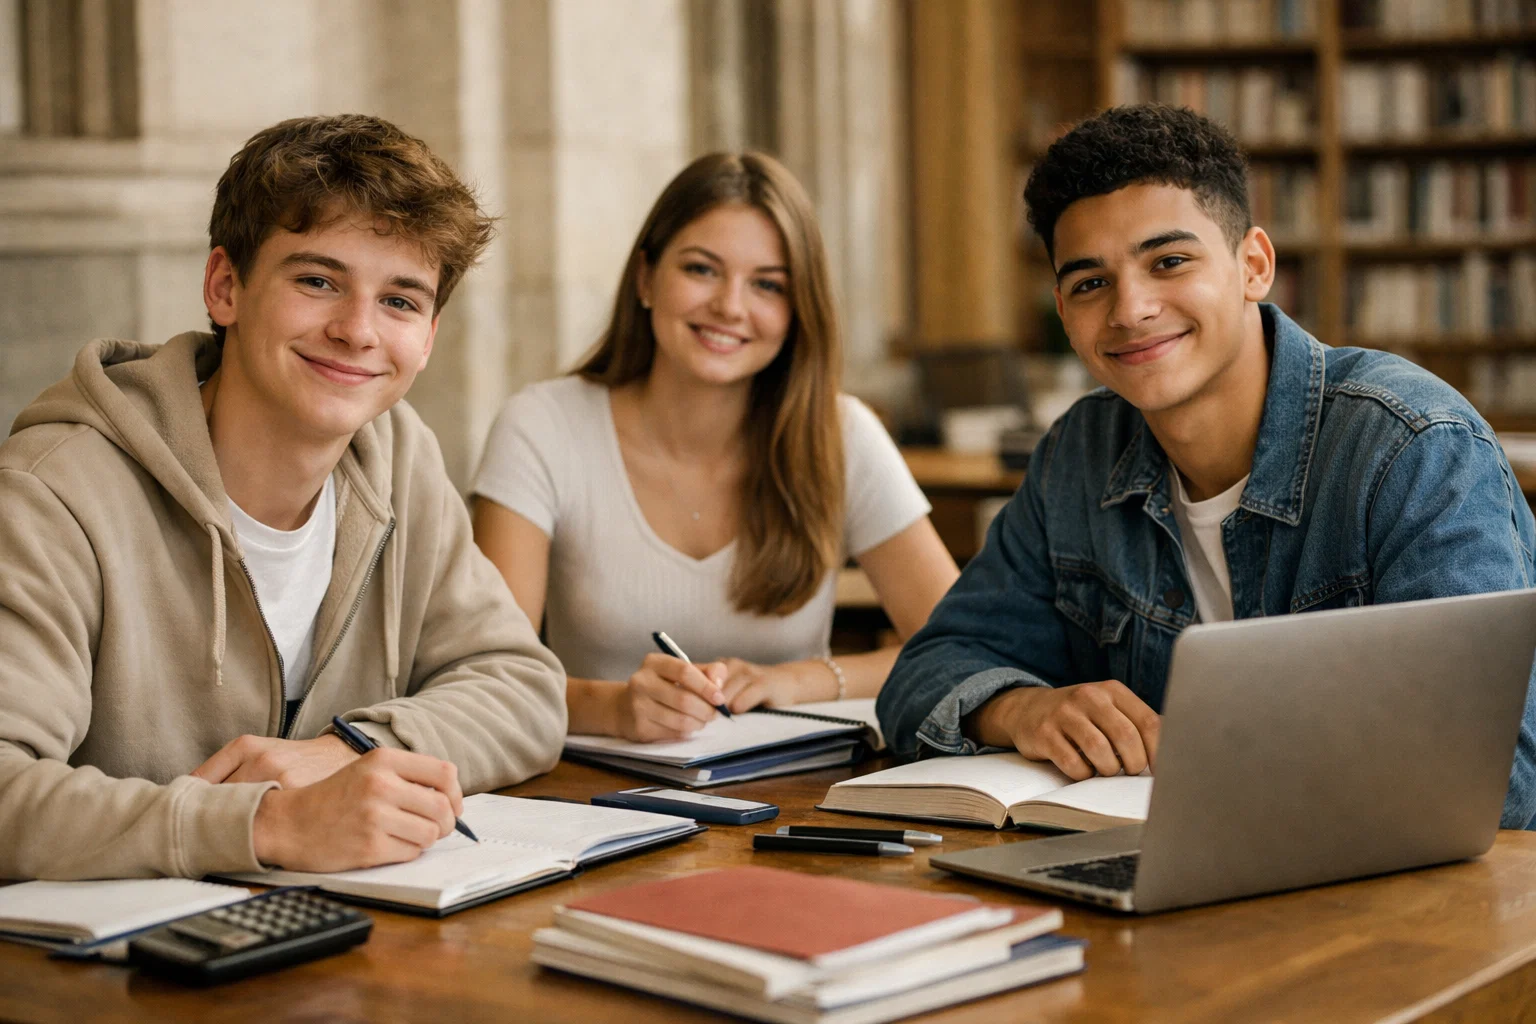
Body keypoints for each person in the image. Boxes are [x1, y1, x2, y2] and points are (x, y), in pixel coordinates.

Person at [876, 104, 1536, 829]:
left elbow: (1498, 780)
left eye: (1169, 262)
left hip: (1393, 884)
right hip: (1148, 864)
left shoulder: (1413, 448)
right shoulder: (1079, 454)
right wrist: (1026, 709)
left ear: (1254, 266)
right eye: (1091, 283)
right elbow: (924, 674)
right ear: (1063, 310)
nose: (1130, 310)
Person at [0, 114, 567, 881]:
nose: (358, 331)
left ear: (429, 335)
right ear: (225, 287)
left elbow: (524, 688)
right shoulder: (53, 490)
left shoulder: (399, 454)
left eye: (400, 301)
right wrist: (266, 822)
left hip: (346, 927)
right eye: (318, 281)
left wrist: (347, 752)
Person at [470, 152, 958, 742]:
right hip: (592, 784)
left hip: (796, 781)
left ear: (797, 309)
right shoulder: (540, 427)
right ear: (646, 278)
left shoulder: (842, 434)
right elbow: (490, 676)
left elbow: (959, 647)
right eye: (702, 269)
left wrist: (800, 679)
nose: (730, 306)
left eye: (767, 284)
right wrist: (614, 708)